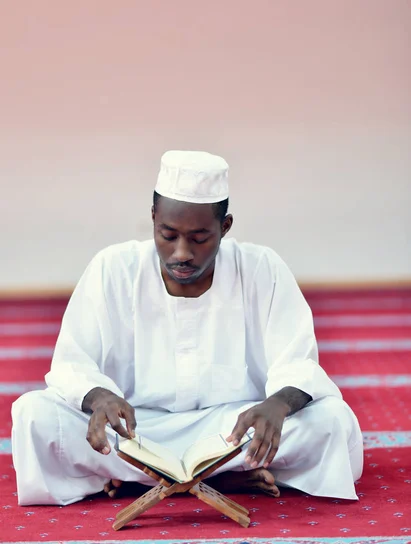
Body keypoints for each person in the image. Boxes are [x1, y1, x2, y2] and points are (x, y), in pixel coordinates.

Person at [12, 150, 363, 506]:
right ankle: (225, 477)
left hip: (233, 431)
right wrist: (98, 396)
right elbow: (72, 364)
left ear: (224, 227)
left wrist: (278, 404)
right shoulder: (113, 268)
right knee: (33, 415)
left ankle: (144, 479)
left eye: (199, 238)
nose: (182, 252)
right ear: (152, 219)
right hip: (136, 433)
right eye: (168, 234)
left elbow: (298, 362)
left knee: (331, 420)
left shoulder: (261, 268)